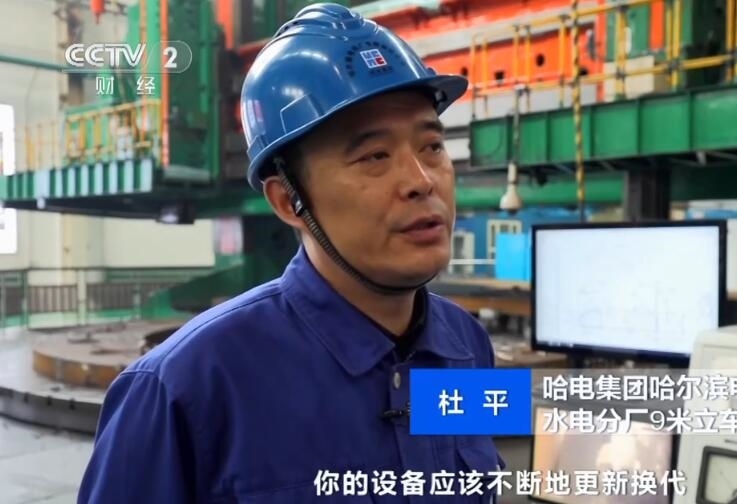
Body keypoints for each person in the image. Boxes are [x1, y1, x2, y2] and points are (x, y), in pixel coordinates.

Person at [78, 3, 503, 502]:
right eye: (374, 156)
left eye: (432, 147)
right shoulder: (181, 389)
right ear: (288, 201)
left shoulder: (468, 346)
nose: (421, 180)